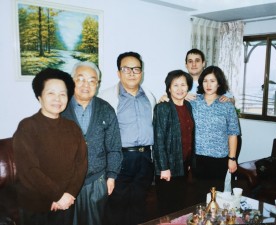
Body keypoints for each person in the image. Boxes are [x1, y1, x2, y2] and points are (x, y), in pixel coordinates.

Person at [13, 68, 87, 225]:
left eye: (62, 94)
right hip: (35, 205)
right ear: (39, 97)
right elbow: (29, 170)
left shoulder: (72, 127)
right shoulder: (27, 126)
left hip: (66, 203)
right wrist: (57, 195)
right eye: (51, 93)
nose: (57, 99)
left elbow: (81, 164)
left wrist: (69, 194)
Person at [61, 61, 123, 225]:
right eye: (80, 79)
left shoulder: (106, 109)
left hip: (96, 182)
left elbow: (114, 147)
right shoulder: (59, 108)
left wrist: (111, 176)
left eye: (91, 80)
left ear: (97, 84)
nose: (85, 85)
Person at [100, 51, 156, 225]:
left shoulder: (149, 96)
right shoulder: (105, 97)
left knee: (139, 204)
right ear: (118, 73)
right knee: (117, 205)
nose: (132, 72)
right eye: (126, 69)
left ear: (142, 73)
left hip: (145, 158)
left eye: (136, 69)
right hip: (120, 158)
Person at [190, 65, 240, 192]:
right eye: (205, 80)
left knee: (215, 196)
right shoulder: (194, 102)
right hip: (197, 157)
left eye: (212, 81)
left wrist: (232, 159)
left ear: (219, 83)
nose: (208, 84)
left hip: (219, 159)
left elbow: (233, 133)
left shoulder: (227, 105)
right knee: (198, 196)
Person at [153, 70, 195, 216]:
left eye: (183, 85)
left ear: (188, 87)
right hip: (168, 167)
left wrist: (189, 161)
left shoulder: (188, 106)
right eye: (175, 85)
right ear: (169, 88)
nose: (179, 89)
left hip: (183, 164)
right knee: (166, 208)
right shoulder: (163, 108)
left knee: (180, 205)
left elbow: (189, 135)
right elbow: (158, 140)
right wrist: (164, 168)